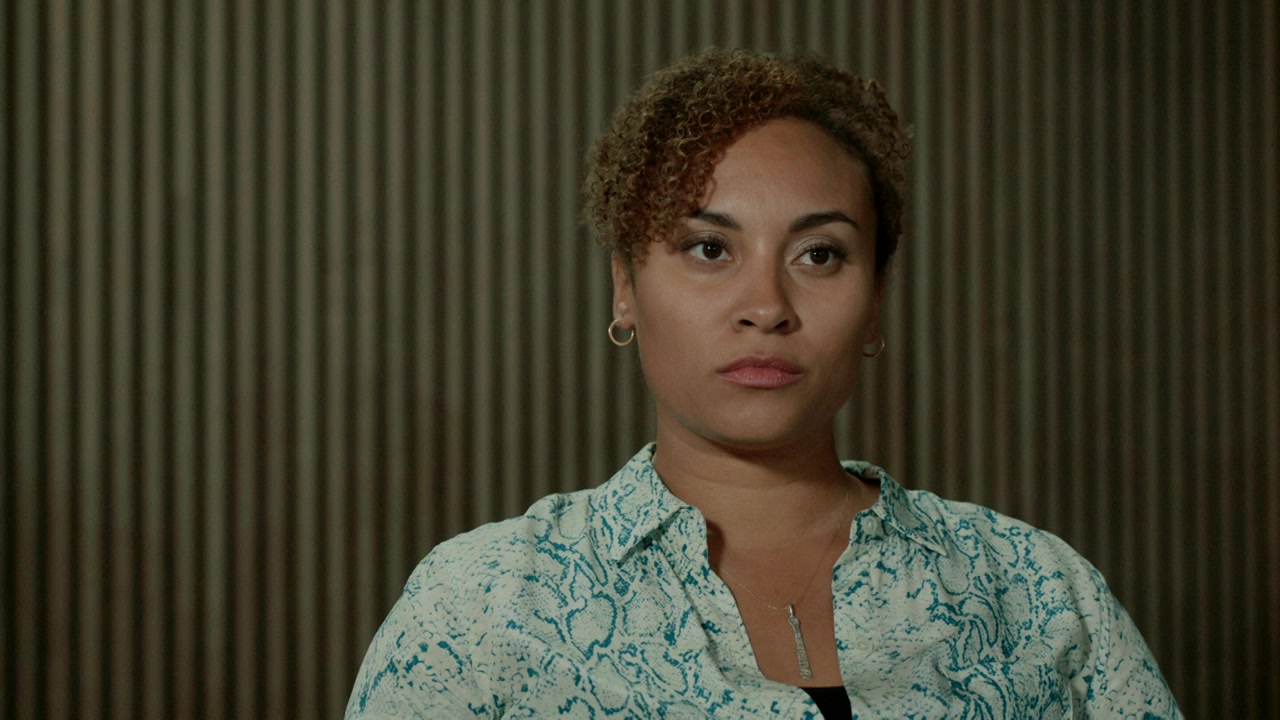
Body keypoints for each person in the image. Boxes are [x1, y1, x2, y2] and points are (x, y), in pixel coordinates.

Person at [346, 48, 1181, 719]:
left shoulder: (1037, 590)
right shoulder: (486, 603)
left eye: (819, 254)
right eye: (710, 248)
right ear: (625, 287)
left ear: (875, 300)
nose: (768, 307)